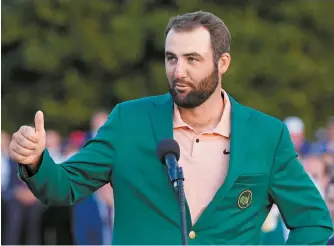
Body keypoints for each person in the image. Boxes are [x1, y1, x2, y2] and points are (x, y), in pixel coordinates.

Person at [8, 11, 333, 245]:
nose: (178, 71)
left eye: (192, 59)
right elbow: (63, 186)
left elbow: (314, 222)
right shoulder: (128, 121)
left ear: (222, 63)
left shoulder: (268, 135)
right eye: (171, 58)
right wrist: (36, 160)